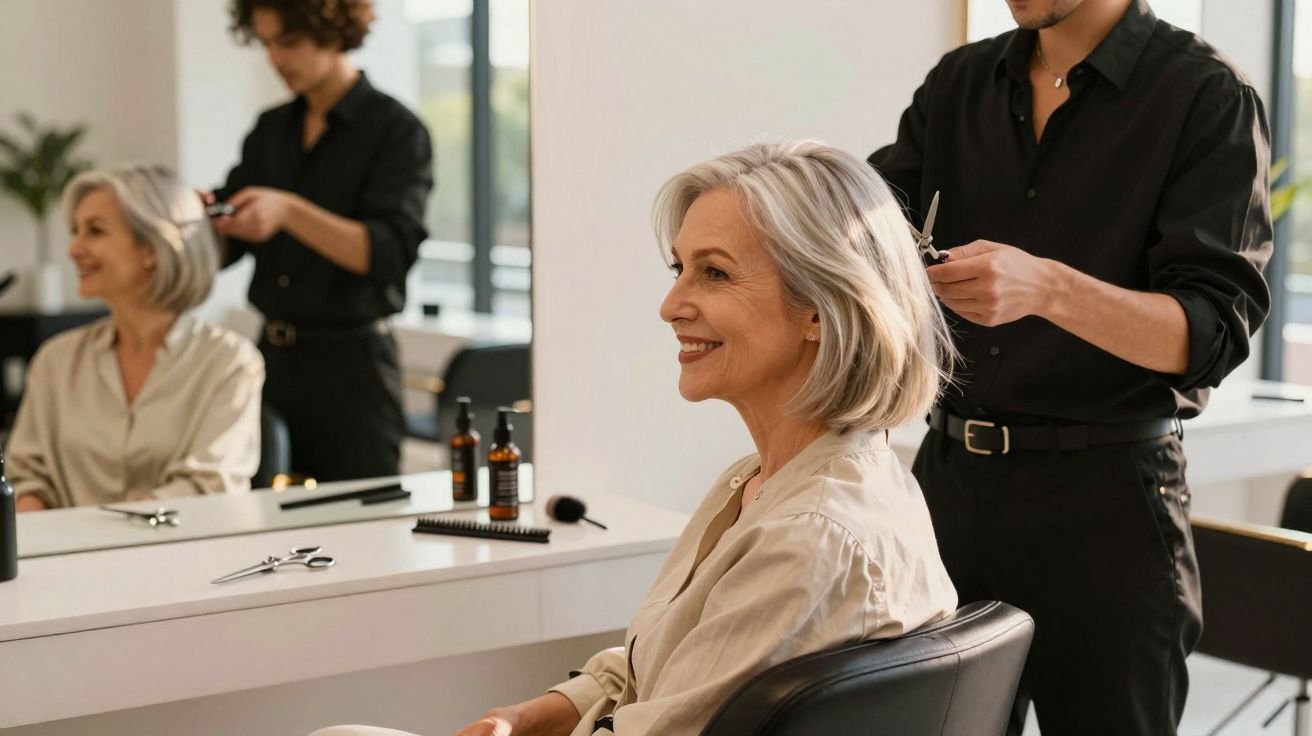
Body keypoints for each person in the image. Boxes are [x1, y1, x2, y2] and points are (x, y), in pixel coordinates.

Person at [306, 141, 959, 736]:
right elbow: (668, 664)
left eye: (715, 273)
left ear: (820, 308)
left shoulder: (809, 537)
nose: (671, 304)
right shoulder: (764, 483)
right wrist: (534, 714)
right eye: (679, 268)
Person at [868, 1, 1272, 733]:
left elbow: (1212, 334)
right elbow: (866, 229)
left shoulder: (1205, 95)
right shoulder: (959, 84)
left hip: (1109, 510)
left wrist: (1049, 289)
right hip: (948, 490)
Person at [210, 0, 434, 482]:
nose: (275, 59)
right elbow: (228, 251)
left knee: (362, 533)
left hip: (352, 372)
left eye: (287, 42)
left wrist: (289, 211)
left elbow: (387, 254)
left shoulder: (396, 130)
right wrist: (204, 220)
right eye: (266, 43)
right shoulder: (271, 131)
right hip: (270, 361)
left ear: (334, 31)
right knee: (255, 519)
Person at [6, 165, 264, 511]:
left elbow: (208, 487)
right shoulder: (56, 360)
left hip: (187, 558)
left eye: (94, 231)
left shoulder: (230, 362)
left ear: (151, 248)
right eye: (75, 231)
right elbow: (25, 477)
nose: (74, 249)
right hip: (65, 560)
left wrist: (105, 542)